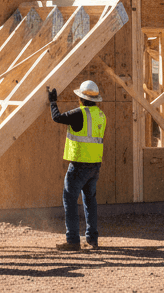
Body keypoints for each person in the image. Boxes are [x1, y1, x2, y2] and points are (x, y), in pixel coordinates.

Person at [47, 79, 106, 251]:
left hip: (79, 166)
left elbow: (57, 117)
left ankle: (72, 241)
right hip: (95, 166)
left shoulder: (80, 113)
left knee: (70, 201)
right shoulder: (101, 116)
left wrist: (52, 102)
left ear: (80, 98)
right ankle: (92, 239)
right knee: (90, 201)